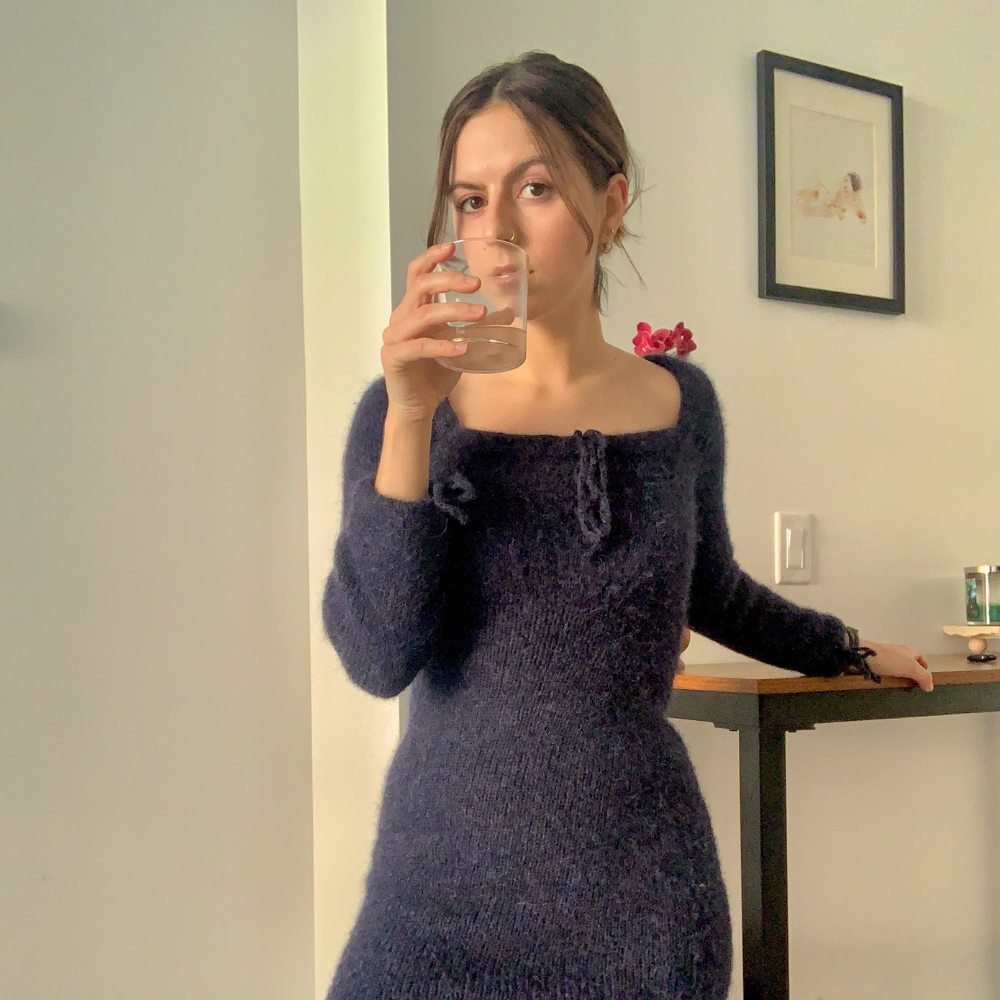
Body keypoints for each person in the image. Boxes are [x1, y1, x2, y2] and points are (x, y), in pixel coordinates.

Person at [322, 51, 932, 1000]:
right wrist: (409, 416)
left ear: (610, 205)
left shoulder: (679, 405)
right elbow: (375, 654)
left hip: (637, 902)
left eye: (534, 188)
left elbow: (712, 589)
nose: (499, 230)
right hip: (433, 900)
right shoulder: (410, 409)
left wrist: (848, 648)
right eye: (470, 200)